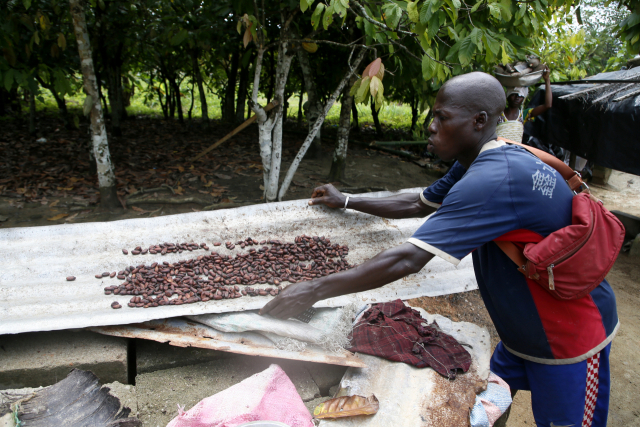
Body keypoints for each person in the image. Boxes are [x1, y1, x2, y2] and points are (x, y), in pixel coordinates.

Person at [260, 72, 618, 427]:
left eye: (441, 117)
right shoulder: (478, 161)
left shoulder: (492, 180)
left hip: (568, 337)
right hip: (522, 333)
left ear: (478, 121)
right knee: (492, 402)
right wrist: (348, 199)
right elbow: (417, 203)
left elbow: (409, 258)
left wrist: (314, 289)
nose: (430, 127)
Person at [497, 66, 552, 143]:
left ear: (523, 98)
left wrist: (547, 80)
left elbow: (547, 105)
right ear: (508, 96)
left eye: (520, 96)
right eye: (514, 94)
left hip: (515, 151)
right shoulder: (498, 113)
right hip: (498, 150)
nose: (517, 98)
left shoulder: (524, 114)